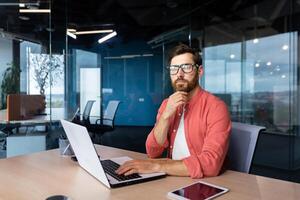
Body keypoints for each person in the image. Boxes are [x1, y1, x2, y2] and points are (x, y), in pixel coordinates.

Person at [116, 44, 231, 178]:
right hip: (173, 176)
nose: (179, 74)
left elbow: (211, 164)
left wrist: (157, 166)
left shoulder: (216, 107)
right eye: (174, 68)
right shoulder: (167, 104)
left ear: (200, 71)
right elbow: (153, 151)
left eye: (186, 67)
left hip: (200, 181)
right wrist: (165, 116)